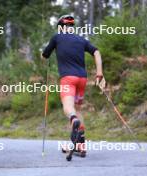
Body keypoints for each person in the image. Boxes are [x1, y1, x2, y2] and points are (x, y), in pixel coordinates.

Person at [41, 15, 105, 155]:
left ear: (60, 27)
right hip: (82, 79)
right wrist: (99, 73)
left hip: (68, 79)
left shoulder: (57, 37)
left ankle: (73, 119)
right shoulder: (81, 40)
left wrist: (46, 56)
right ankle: (80, 145)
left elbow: (44, 56)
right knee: (78, 109)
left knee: (68, 108)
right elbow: (96, 52)